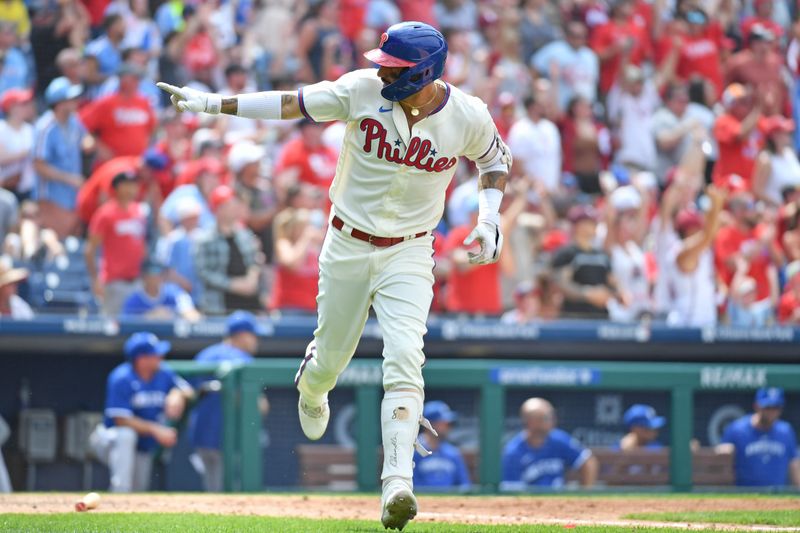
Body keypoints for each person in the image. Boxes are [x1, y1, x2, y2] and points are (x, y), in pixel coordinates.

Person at [159, 20, 511, 530]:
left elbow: (494, 160)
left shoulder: (468, 114)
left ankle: (397, 483)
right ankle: (313, 385)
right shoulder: (361, 89)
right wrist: (214, 104)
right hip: (346, 242)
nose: (383, 72)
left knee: (407, 355)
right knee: (332, 358)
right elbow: (291, 104)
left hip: (411, 252)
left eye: (395, 67)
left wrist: (489, 219)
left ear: (426, 71)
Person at [89, 332, 194, 492]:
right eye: (155, 354)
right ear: (141, 359)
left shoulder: (163, 373)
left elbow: (189, 391)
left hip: (142, 446)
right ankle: (119, 491)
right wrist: (156, 429)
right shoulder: (122, 377)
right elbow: (120, 420)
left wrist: (176, 394)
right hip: (110, 441)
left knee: (138, 490)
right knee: (126, 435)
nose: (161, 357)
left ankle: (126, 502)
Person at [190, 311, 268, 492]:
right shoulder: (243, 360)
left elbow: (188, 393)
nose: (256, 340)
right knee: (233, 494)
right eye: (253, 335)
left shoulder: (205, 355)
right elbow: (260, 407)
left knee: (213, 490)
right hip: (231, 439)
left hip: (202, 437)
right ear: (241, 335)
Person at [33, 76, 91, 240]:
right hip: (51, 195)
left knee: (69, 238)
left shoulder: (74, 121)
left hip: (72, 193)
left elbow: (85, 138)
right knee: (55, 237)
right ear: (59, 103)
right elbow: (39, 165)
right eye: (71, 98)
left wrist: (88, 142)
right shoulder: (45, 127)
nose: (76, 101)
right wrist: (69, 178)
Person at [85, 170, 148, 317]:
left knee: (136, 324)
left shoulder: (139, 211)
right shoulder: (105, 213)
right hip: (114, 282)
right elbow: (90, 249)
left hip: (137, 280)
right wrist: (95, 279)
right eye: (127, 185)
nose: (132, 189)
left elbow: (141, 245)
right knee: (112, 329)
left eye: (134, 185)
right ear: (117, 187)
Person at [193, 185, 263, 315]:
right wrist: (233, 285)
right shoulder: (204, 239)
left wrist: (251, 280)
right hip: (219, 306)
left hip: (250, 304)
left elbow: (256, 261)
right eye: (229, 205)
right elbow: (203, 273)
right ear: (218, 209)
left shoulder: (245, 235)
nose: (234, 209)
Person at [501, 397, 598, 489]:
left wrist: (585, 493)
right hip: (532, 502)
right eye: (546, 417)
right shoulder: (513, 452)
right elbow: (512, 491)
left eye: (552, 416)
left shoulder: (558, 439)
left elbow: (588, 462)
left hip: (560, 501)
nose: (553, 420)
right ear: (530, 421)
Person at [717, 387, 800, 487]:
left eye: (776, 407)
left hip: (778, 496)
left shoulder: (786, 431)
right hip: (744, 495)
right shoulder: (737, 429)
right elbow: (720, 459)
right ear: (757, 406)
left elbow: (794, 465)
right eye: (767, 407)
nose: (771, 412)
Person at [412, 401, 471, 491]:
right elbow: (411, 486)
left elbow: (464, 485)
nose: (448, 427)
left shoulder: (453, 453)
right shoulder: (414, 452)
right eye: (444, 423)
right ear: (430, 424)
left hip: (450, 502)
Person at [121, 261, 200, 321]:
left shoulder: (175, 293)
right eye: (153, 273)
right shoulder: (133, 300)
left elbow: (193, 316)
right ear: (144, 277)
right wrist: (149, 317)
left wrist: (173, 314)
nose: (158, 277)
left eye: (161, 273)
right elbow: (124, 324)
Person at [0, 254, 33, 319]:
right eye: (9, 284)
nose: (14, 287)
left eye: (14, 283)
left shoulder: (18, 304)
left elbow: (32, 325)